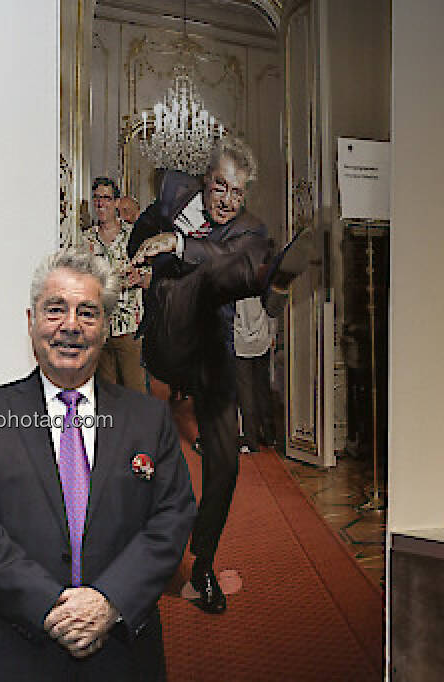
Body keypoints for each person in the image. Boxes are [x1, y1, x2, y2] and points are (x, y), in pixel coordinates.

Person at [0, 248, 196, 681]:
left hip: (121, 652)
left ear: (106, 326)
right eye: (55, 310)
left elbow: (172, 517)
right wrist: (53, 608)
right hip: (10, 649)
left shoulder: (148, 418)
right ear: (31, 321)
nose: (71, 326)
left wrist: (108, 601)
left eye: (88, 313)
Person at [128, 137, 312, 614]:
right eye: (220, 187)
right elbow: (143, 235)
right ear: (203, 179)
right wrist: (148, 262)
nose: (229, 200)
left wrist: (180, 244)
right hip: (166, 344)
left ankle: (202, 562)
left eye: (238, 192)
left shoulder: (250, 229)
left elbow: (222, 260)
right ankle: (136, 553)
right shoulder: (171, 193)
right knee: (142, 459)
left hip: (213, 348)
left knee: (226, 465)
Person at [87, 177, 147, 394]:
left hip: (129, 329)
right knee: (106, 398)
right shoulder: (87, 240)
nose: (101, 203)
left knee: (136, 394)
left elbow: (152, 276)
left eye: (106, 198)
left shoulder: (134, 235)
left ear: (116, 202)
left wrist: (139, 278)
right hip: (100, 330)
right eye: (97, 198)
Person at [234, 296, 277, 453]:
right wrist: (272, 334)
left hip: (241, 342)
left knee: (245, 392)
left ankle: (251, 440)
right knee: (262, 389)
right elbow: (272, 310)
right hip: (262, 338)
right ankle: (269, 435)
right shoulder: (262, 280)